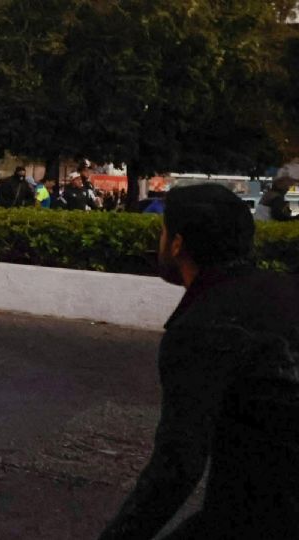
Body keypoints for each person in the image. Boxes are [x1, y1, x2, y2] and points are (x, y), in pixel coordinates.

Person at [99, 184, 299, 540]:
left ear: (177, 245)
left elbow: (177, 466)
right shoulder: (282, 290)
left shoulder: (202, 327)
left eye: (162, 231)